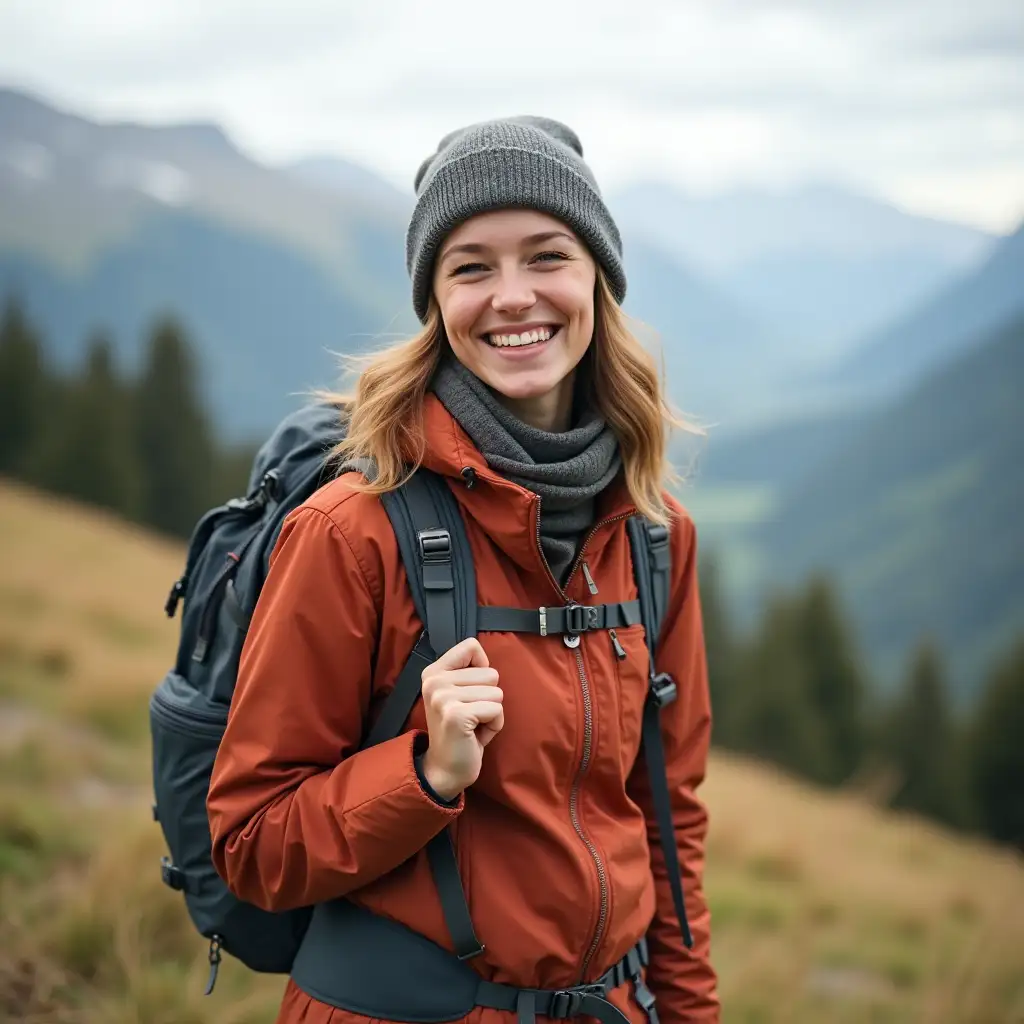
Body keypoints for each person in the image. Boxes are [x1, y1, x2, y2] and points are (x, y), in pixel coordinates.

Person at [207, 115, 719, 1024]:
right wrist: (426, 776)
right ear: (435, 301)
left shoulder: (652, 535)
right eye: (472, 267)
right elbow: (252, 843)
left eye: (547, 255)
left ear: (597, 275)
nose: (514, 295)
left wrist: (686, 1013)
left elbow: (670, 821)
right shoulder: (352, 534)